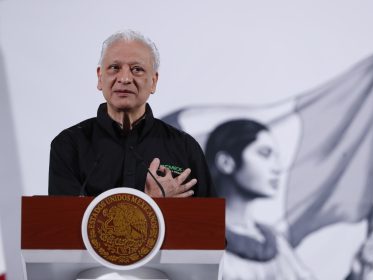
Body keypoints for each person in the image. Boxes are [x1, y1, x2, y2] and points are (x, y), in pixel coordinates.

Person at [48, 30, 213, 198]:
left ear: (153, 81)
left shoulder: (184, 148)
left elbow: (208, 221)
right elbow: (64, 221)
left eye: (137, 69)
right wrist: (151, 203)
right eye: (114, 68)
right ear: (100, 77)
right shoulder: (69, 145)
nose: (125, 78)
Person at [205, 119, 316, 280]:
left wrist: (358, 270)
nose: (277, 168)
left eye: (276, 157)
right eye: (265, 154)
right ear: (226, 162)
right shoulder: (193, 238)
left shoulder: (276, 242)